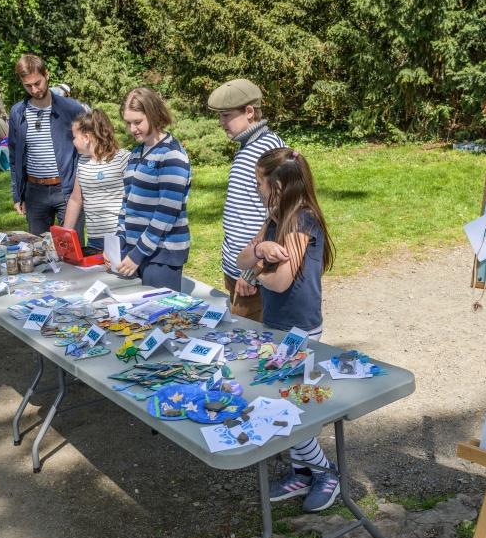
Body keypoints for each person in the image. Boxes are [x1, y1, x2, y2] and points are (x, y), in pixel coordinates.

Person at [236, 148, 339, 512]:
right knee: (281, 398)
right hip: (276, 325)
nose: (256, 190)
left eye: (259, 183)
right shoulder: (277, 218)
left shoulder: (301, 222)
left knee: (286, 404)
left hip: (300, 329)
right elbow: (241, 259)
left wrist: (258, 271)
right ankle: (302, 470)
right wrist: (261, 249)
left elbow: (280, 282)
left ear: (276, 186)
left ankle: (325, 472)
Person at [208, 79, 287, 322]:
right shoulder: (247, 147)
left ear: (249, 112)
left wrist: (252, 272)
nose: (221, 122)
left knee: (245, 350)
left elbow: (277, 217)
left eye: (226, 115)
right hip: (237, 268)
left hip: (250, 275)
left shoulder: (269, 150)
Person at [112, 87, 191, 290]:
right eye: (128, 123)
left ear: (154, 114)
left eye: (137, 122)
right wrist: (118, 242)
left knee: (160, 317)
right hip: (135, 251)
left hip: (161, 254)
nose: (132, 129)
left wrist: (139, 252)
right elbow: (126, 202)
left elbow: (167, 211)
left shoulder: (172, 154)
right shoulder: (136, 153)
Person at [8, 54, 86, 235]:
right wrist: (17, 194)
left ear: (47, 75)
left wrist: (81, 187)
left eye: (38, 83)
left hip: (67, 190)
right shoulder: (17, 113)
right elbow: (14, 157)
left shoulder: (72, 109)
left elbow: (87, 152)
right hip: (34, 192)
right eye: (28, 85)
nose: (34, 90)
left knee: (72, 250)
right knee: (38, 252)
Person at [62, 109, 130, 249]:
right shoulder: (82, 162)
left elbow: (134, 198)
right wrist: (65, 234)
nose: (72, 142)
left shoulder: (122, 159)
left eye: (74, 137)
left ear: (86, 137)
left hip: (119, 236)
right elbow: (75, 200)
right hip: (94, 239)